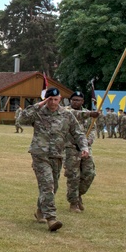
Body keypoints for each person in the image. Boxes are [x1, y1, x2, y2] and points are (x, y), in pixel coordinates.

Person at [17, 87, 88, 232]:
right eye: (50, 100)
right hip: (40, 154)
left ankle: (40, 210)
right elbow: (22, 118)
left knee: (53, 186)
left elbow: (78, 132)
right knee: (48, 184)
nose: (53, 102)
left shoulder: (66, 115)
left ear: (60, 99)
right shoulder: (38, 113)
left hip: (57, 155)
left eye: (56, 100)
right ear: (46, 99)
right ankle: (51, 218)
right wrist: (40, 104)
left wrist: (84, 147)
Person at [64, 91, 98, 213]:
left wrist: (88, 142)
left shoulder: (89, 114)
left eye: (78, 100)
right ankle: (73, 203)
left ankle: (78, 194)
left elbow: (92, 129)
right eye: (73, 100)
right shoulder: (65, 111)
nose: (75, 102)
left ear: (82, 101)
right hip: (70, 148)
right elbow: (74, 114)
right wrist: (89, 114)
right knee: (73, 176)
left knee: (89, 173)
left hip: (85, 149)